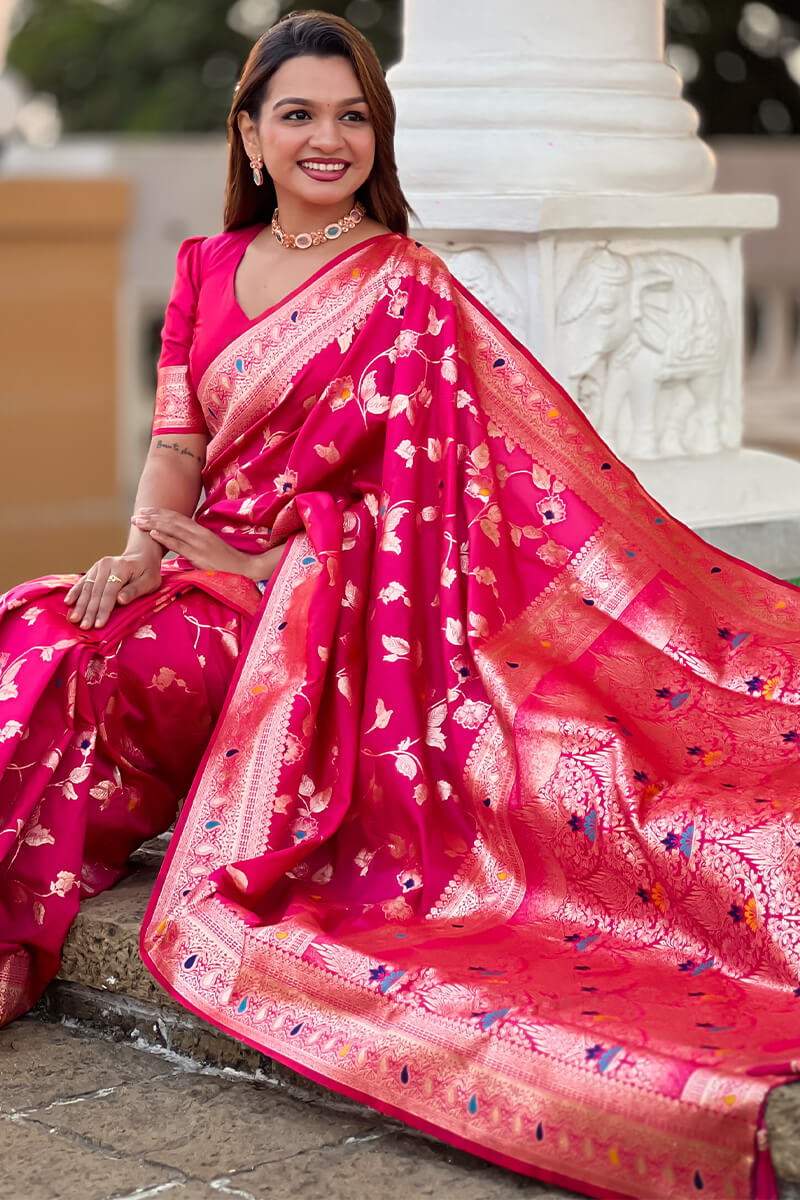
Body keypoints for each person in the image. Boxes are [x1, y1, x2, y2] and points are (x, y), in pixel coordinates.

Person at [1, 10, 799, 1200]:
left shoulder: (405, 286)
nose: (327, 139)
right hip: (195, 572)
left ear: (375, 134)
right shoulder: (206, 268)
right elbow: (176, 446)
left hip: (305, 611)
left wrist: (267, 568)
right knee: (36, 624)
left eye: (352, 116)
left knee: (104, 670)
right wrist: (135, 555)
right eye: (297, 115)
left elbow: (428, 505)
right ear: (249, 134)